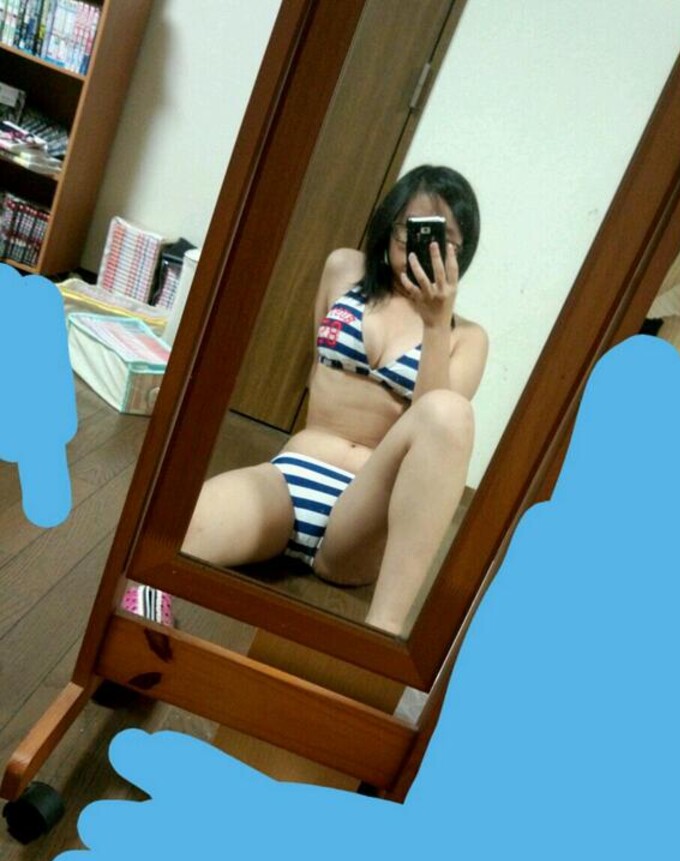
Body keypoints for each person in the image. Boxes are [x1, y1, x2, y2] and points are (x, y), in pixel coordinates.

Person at [126, 165, 488, 637]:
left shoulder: (467, 337)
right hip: (292, 476)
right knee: (171, 538)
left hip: (366, 511)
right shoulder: (345, 270)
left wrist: (436, 323)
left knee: (450, 413)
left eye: (442, 241)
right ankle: (139, 636)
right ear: (389, 225)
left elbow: (431, 425)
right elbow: (319, 362)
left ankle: (381, 636)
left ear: (461, 252)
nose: (420, 250)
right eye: (410, 231)